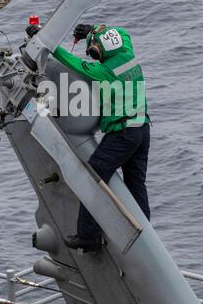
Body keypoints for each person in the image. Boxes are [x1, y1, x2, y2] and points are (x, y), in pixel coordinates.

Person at [27, 23, 151, 252]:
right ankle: (148, 236)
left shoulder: (104, 71)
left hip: (122, 133)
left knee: (91, 178)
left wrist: (49, 46)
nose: (90, 50)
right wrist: (93, 31)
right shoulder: (127, 52)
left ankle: (88, 235)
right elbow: (120, 33)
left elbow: (75, 64)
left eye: (92, 47)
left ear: (99, 51)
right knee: (136, 183)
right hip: (142, 129)